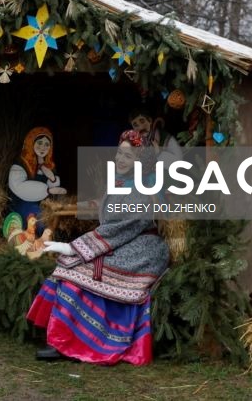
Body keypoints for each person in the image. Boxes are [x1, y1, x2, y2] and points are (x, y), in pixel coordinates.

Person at [26, 129, 169, 366]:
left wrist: (72, 247)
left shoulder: (141, 191)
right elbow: (105, 209)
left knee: (78, 271)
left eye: (128, 157)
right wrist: (68, 207)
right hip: (122, 242)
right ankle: (61, 338)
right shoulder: (121, 183)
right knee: (70, 266)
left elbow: (120, 228)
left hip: (142, 249)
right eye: (120, 154)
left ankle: (72, 342)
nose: (121, 160)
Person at [6, 126, 67, 235]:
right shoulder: (21, 164)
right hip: (22, 203)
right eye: (39, 143)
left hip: (42, 204)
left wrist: (52, 179)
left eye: (47, 144)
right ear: (31, 143)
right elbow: (18, 186)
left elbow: (56, 188)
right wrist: (48, 191)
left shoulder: (49, 166)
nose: (43, 147)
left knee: (56, 218)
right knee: (39, 219)